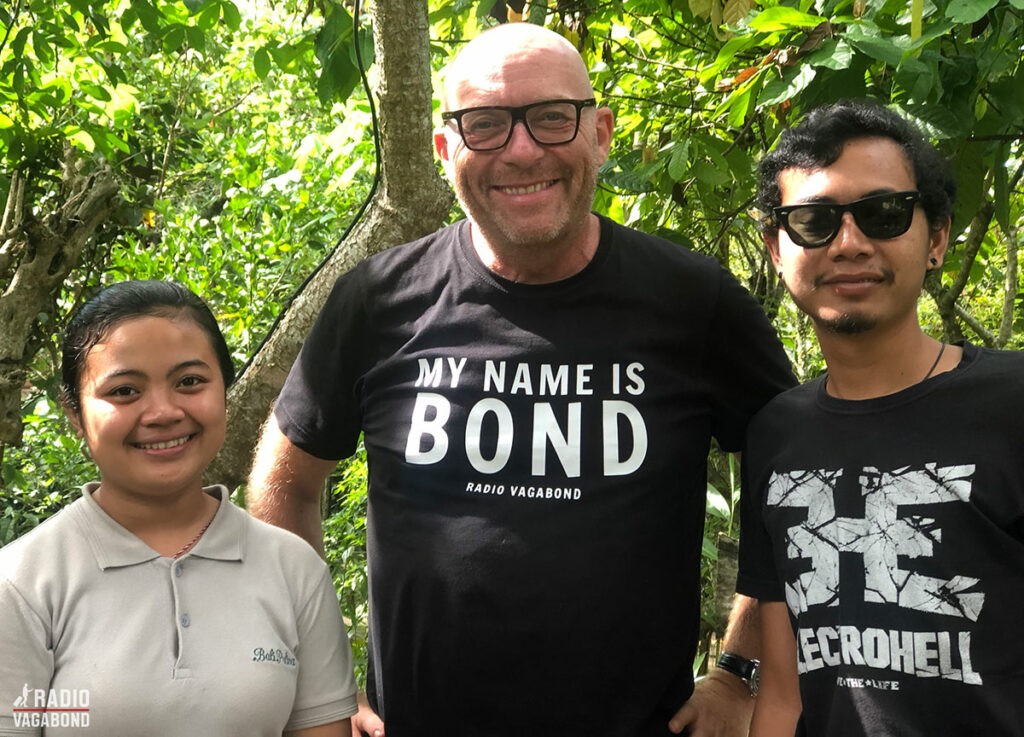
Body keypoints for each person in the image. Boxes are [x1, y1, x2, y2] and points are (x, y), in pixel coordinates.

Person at [248, 22, 795, 737]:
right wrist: (318, 682)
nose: (523, 149)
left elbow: (799, 482)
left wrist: (740, 667)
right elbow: (286, 485)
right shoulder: (379, 300)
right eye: (486, 125)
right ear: (446, 150)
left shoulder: (695, 302)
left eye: (551, 117)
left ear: (600, 132)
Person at [738, 99, 1024, 735]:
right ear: (776, 248)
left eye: (884, 214)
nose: (849, 243)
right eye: (813, 220)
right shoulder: (776, 432)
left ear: (937, 238)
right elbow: (784, 695)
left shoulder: (1012, 403)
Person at [0, 281, 358, 736]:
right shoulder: (22, 583)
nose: (163, 412)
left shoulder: (293, 571)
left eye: (189, 382)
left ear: (224, 390)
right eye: (125, 391)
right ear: (75, 416)